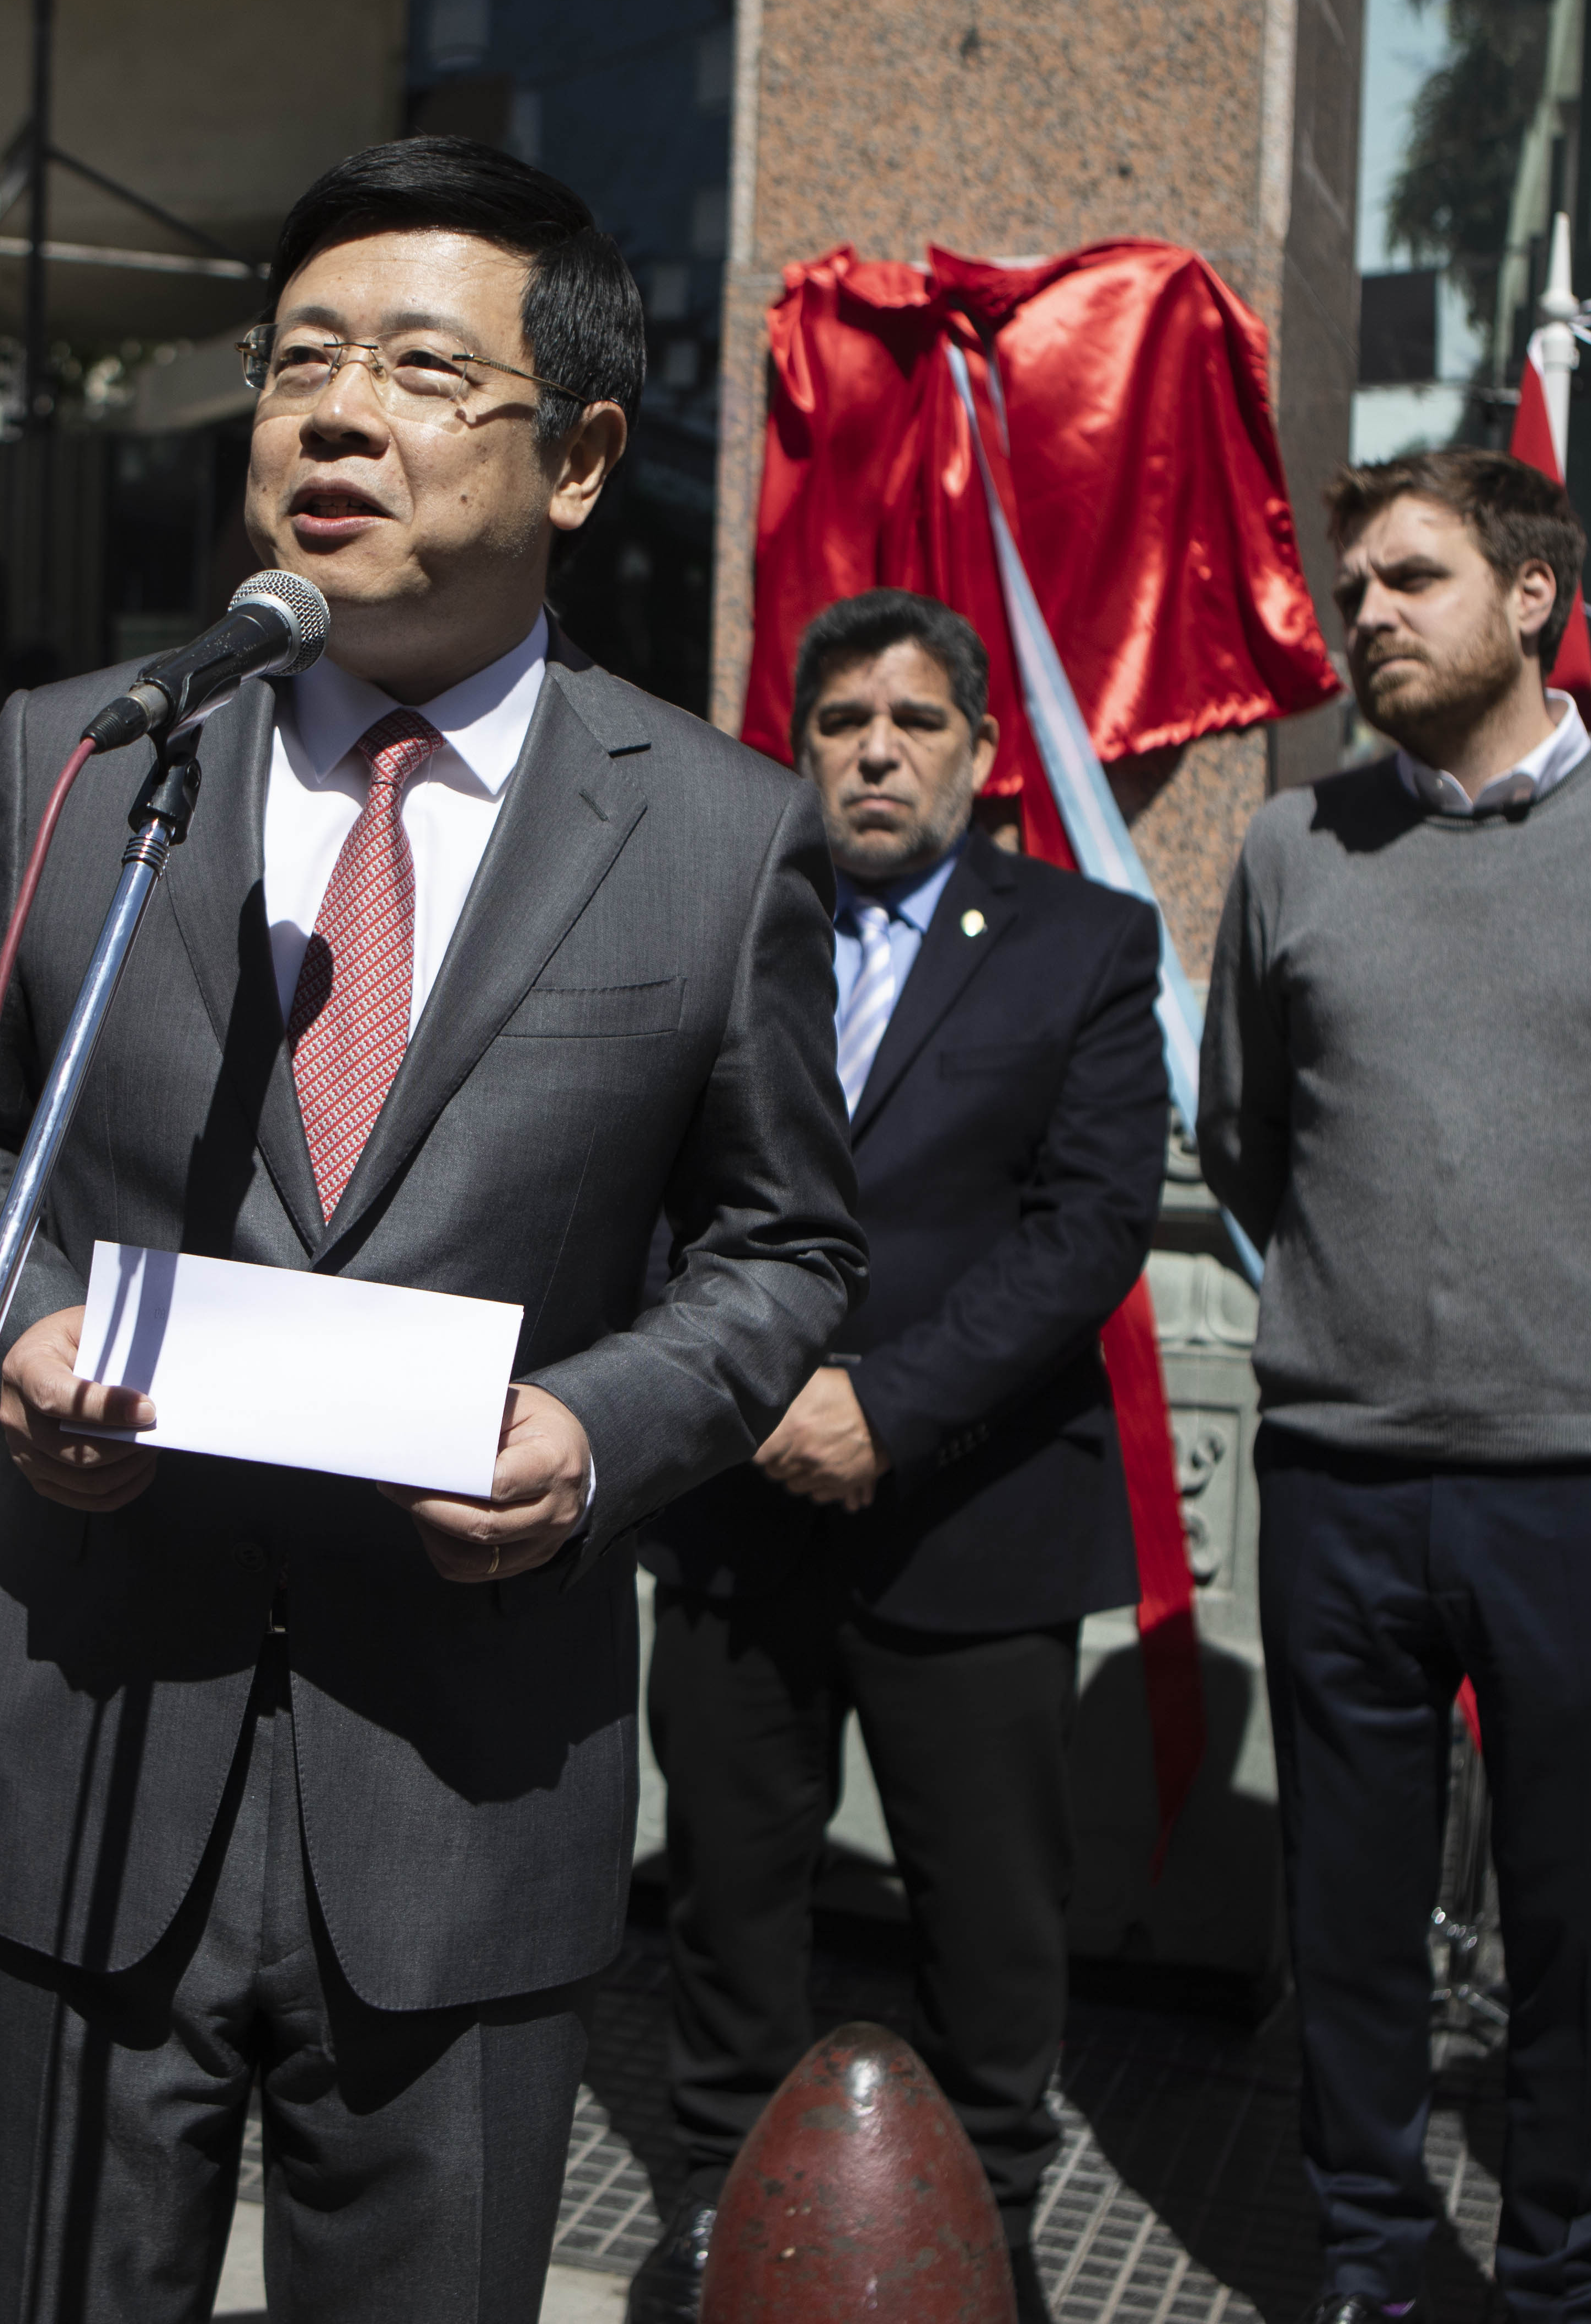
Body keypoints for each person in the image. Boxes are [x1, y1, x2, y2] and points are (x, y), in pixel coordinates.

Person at [0, 136, 863, 2323]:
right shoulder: (87, 756)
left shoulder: (711, 827)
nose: (335, 414)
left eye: (419, 367)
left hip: (466, 1785)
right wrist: (15, 1327)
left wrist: (591, 1437)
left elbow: (786, 1248)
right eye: (301, 358)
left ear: (579, 455)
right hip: (86, 1743)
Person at [1198, 449, 1591, 2324]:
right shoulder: (1293, 848)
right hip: (1337, 1480)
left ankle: (1557, 2279)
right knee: (1350, 1913)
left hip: (1587, 1485)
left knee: (1574, 1924)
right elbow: (1246, 1137)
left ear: (1535, 598)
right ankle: (1374, 2265)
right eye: (1356, 584)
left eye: (1411, 578)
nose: (1366, 615)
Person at [634, 587, 1166, 2323]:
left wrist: (891, 1406)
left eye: (915, 721)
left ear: (982, 756)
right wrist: (747, 1396)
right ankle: (725, 2204)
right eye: (845, 721)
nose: (876, 750)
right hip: (738, 1512)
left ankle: (982, 2228)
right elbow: (653, 1191)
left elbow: (1086, 1234)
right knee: (726, 1891)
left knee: (991, 1914)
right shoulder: (731, 926)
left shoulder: (1082, 945)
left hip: (974, 1516)